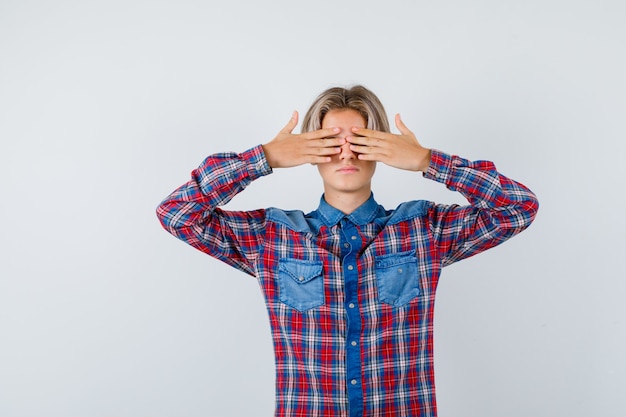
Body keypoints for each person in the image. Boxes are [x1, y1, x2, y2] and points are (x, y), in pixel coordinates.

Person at [156, 85, 539, 417]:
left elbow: (519, 206)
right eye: (330, 140)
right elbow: (176, 215)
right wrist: (264, 159)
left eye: (360, 140)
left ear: (381, 148)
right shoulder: (271, 237)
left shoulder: (425, 230)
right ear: (309, 149)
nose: (346, 153)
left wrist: (427, 161)